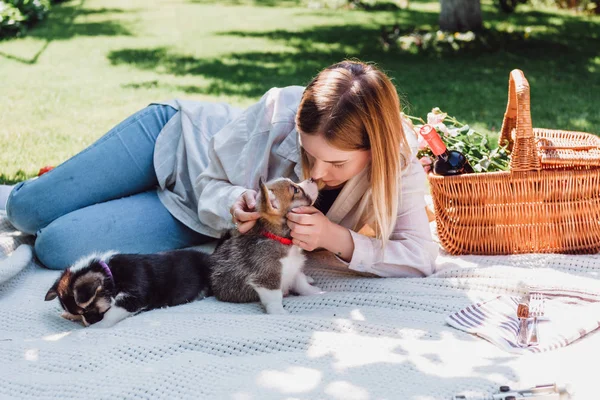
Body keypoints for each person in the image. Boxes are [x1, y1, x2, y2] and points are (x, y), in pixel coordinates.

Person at [6, 60, 438, 277]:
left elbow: (419, 255)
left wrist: (335, 238)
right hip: (171, 143)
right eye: (309, 154)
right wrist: (236, 199)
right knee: (26, 210)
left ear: (373, 150)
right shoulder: (279, 109)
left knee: (54, 247)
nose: (319, 172)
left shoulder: (397, 160)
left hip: (194, 216)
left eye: (338, 163)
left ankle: (97, 192)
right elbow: (213, 178)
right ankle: (54, 185)